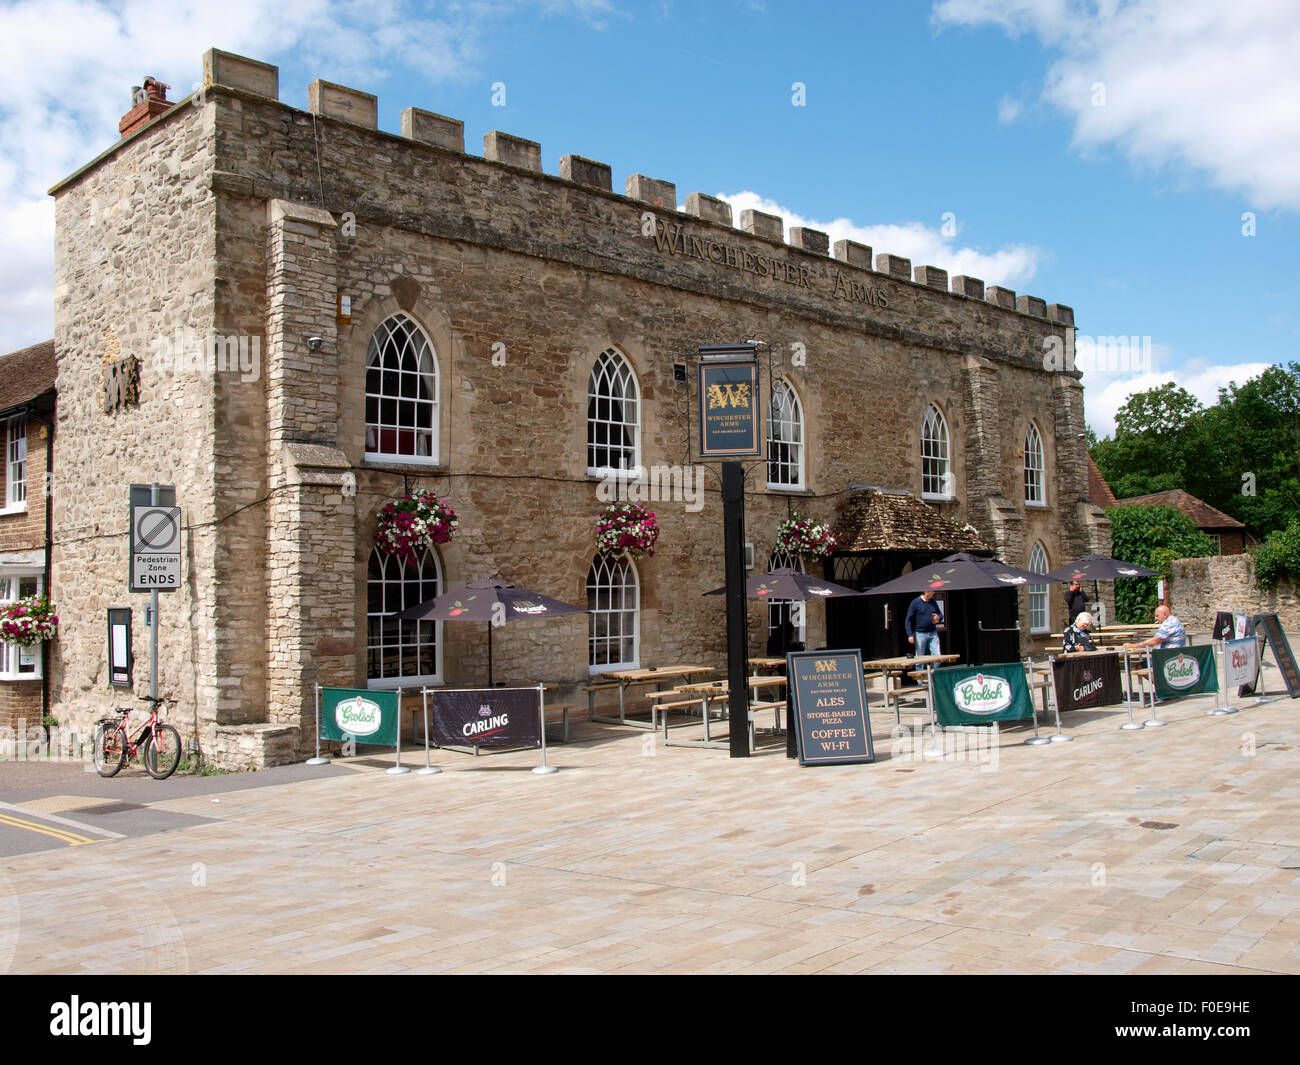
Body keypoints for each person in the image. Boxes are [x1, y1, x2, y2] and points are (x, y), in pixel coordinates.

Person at [905, 589, 943, 657]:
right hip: (920, 633)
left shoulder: (933, 601)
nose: (934, 593)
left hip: (933, 632)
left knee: (937, 655)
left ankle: (934, 668)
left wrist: (938, 617)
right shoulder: (915, 602)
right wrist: (910, 634)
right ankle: (921, 668)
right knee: (920, 657)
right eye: (932, 591)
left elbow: (940, 615)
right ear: (926, 592)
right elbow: (908, 619)